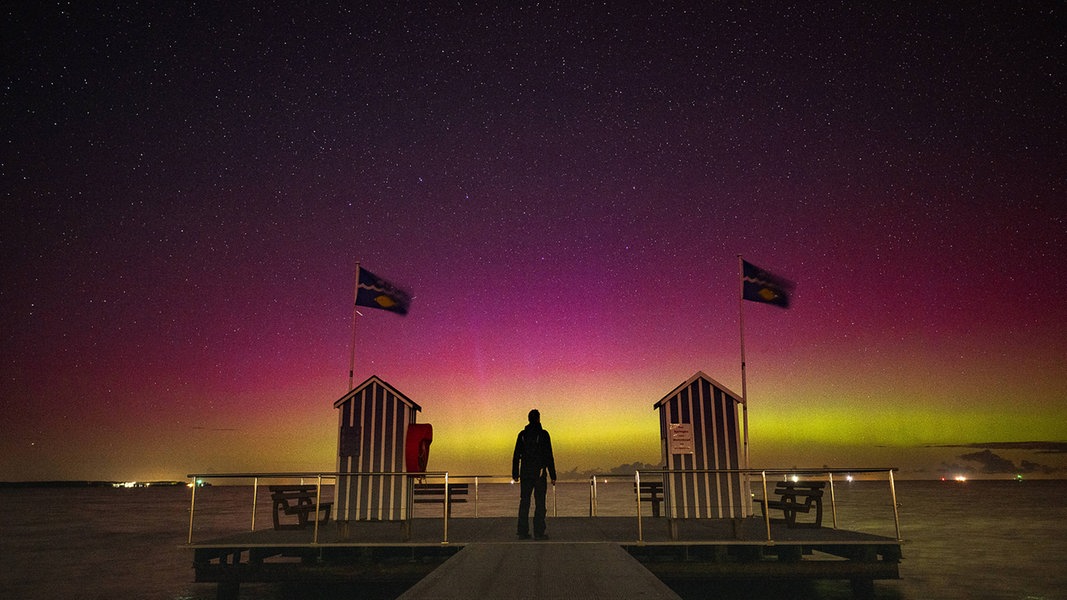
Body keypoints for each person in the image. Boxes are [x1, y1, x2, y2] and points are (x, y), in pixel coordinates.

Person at [512, 409, 557, 539]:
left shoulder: (522, 435)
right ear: (538, 419)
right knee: (540, 503)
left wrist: (515, 473)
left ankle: (522, 531)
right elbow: (549, 455)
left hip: (525, 473)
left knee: (524, 502)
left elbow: (516, 455)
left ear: (528, 419)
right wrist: (553, 475)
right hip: (539, 473)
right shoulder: (543, 434)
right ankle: (539, 532)